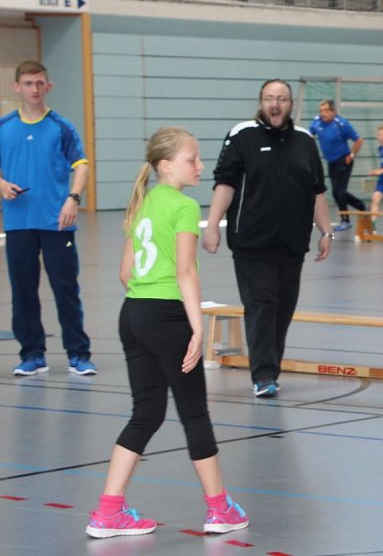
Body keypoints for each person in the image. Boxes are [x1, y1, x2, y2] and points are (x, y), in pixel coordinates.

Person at [86, 127, 249, 538]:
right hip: (166, 318)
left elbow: (126, 273)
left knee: (146, 414)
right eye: (192, 158)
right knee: (194, 413)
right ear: (165, 165)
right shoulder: (180, 206)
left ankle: (108, 512)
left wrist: (149, 301)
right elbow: (186, 271)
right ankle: (219, 510)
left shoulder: (141, 203)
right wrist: (196, 326)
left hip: (133, 315)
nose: (200, 165)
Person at [203, 78, 334, 398]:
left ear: (291, 105)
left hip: (291, 242)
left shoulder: (305, 140)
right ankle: (263, 375)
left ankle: (269, 368)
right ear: (261, 102)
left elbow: (317, 191)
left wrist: (325, 231)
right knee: (261, 304)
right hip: (251, 240)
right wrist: (212, 224)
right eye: (269, 98)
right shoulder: (242, 135)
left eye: (282, 99)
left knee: (282, 308)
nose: (275, 104)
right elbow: (225, 184)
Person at [0, 60, 97, 377]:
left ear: (48, 86)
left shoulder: (61, 126)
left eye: (40, 83)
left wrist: (73, 197)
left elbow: (81, 165)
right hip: (18, 224)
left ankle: (78, 354)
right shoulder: (5, 128)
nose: (34, 89)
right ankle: (32, 355)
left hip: (57, 223)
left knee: (66, 289)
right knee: (23, 291)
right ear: (17, 87)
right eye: (28, 83)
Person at [309, 100, 366, 232]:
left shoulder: (341, 124)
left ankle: (345, 221)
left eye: (325, 110)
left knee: (338, 192)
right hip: (331, 162)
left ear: (333, 112)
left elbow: (358, 140)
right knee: (338, 193)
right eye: (321, 110)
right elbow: (310, 134)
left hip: (343, 160)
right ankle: (362, 207)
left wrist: (351, 156)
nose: (322, 113)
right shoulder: (317, 122)